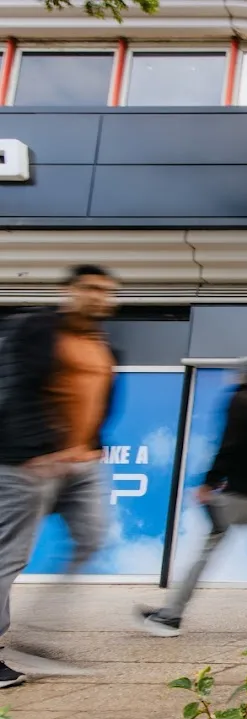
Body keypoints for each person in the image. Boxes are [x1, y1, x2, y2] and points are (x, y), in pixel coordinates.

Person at [0, 264, 120, 688]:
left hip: (82, 465)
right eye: (89, 288)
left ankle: (35, 633)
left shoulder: (103, 345)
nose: (98, 296)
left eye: (105, 290)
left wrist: (93, 447)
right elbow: (16, 389)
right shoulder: (37, 329)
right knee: (10, 554)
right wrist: (36, 448)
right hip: (30, 462)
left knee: (91, 536)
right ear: (69, 291)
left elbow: (98, 402)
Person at [136, 358, 247, 638]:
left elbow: (229, 446)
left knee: (205, 553)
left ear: (243, 374)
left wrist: (209, 483)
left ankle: (170, 615)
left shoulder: (240, 401)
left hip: (236, 495)